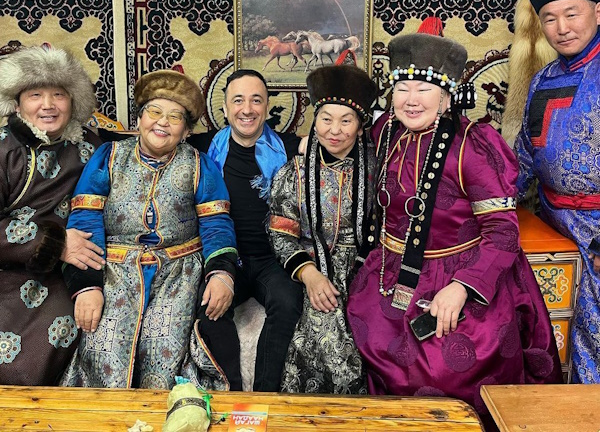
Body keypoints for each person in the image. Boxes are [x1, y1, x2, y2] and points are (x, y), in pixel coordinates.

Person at [347, 33, 562, 421]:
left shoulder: (473, 147)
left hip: (458, 275)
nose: (411, 99)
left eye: (424, 88)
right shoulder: (385, 134)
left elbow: (503, 233)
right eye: (402, 88)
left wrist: (461, 288)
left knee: (442, 372)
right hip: (389, 273)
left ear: (446, 96)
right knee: (365, 346)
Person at [60, 70, 237, 389]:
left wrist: (222, 274)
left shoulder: (200, 165)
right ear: (140, 119)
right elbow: (85, 220)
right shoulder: (108, 157)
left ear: (186, 131)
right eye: (154, 111)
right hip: (114, 271)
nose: (162, 122)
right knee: (103, 355)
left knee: (163, 360)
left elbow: (217, 225)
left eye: (175, 117)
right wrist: (87, 287)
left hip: (178, 276)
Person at [188, 69, 303, 392]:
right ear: (225, 108)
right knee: (209, 306)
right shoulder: (204, 146)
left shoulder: (288, 146)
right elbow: (148, 135)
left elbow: (334, 139)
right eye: (238, 100)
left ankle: (266, 396)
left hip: (272, 259)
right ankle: (231, 391)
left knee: (288, 303)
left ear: (267, 107)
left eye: (256, 100)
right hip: (227, 258)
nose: (247, 109)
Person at [516, 0, 600, 383]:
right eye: (549, 18)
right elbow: (524, 156)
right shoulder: (543, 80)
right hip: (552, 225)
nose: (561, 28)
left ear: (598, 12)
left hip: (598, 230)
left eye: (572, 14)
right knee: (551, 336)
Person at [268, 65, 378, 393]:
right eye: (326, 119)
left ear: (360, 126)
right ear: (315, 122)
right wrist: (310, 275)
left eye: (346, 121)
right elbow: (281, 232)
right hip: (315, 264)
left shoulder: (380, 169)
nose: (335, 130)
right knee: (327, 337)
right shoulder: (295, 173)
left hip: (370, 266)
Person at [0, 45, 105, 385]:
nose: (48, 105)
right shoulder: (3, 148)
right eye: (35, 95)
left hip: (66, 272)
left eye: (58, 94)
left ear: (72, 101)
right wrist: (55, 243)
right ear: (17, 104)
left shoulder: (91, 146)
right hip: (8, 267)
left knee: (59, 332)